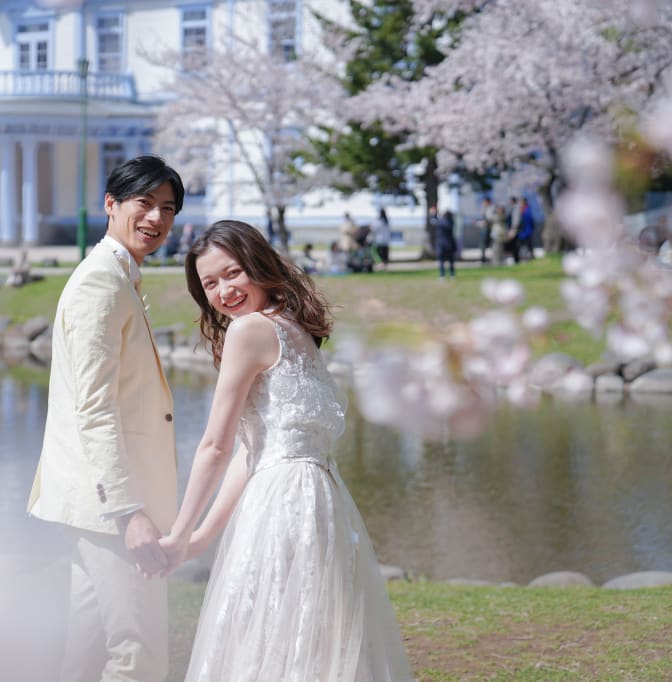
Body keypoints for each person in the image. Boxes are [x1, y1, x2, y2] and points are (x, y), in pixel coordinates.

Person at [159, 220, 412, 680]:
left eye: (232, 273)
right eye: (210, 284)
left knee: (272, 636)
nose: (223, 292)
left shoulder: (252, 331)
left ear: (258, 264)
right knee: (305, 638)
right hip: (318, 500)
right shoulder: (295, 331)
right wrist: (198, 536)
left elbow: (215, 445)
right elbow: (250, 451)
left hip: (286, 502)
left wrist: (178, 533)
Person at [27, 155, 185, 682]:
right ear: (111, 205)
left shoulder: (120, 277)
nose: (156, 219)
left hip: (100, 502)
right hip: (113, 505)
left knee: (88, 650)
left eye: (168, 209)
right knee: (137, 653)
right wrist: (128, 511)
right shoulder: (101, 283)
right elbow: (93, 409)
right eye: (145, 203)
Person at [432, 205, 457, 278]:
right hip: (448, 243)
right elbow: (435, 221)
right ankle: (448, 274)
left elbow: (436, 221)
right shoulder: (449, 221)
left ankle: (445, 274)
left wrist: (434, 214)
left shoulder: (445, 222)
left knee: (445, 260)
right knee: (448, 260)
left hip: (444, 244)